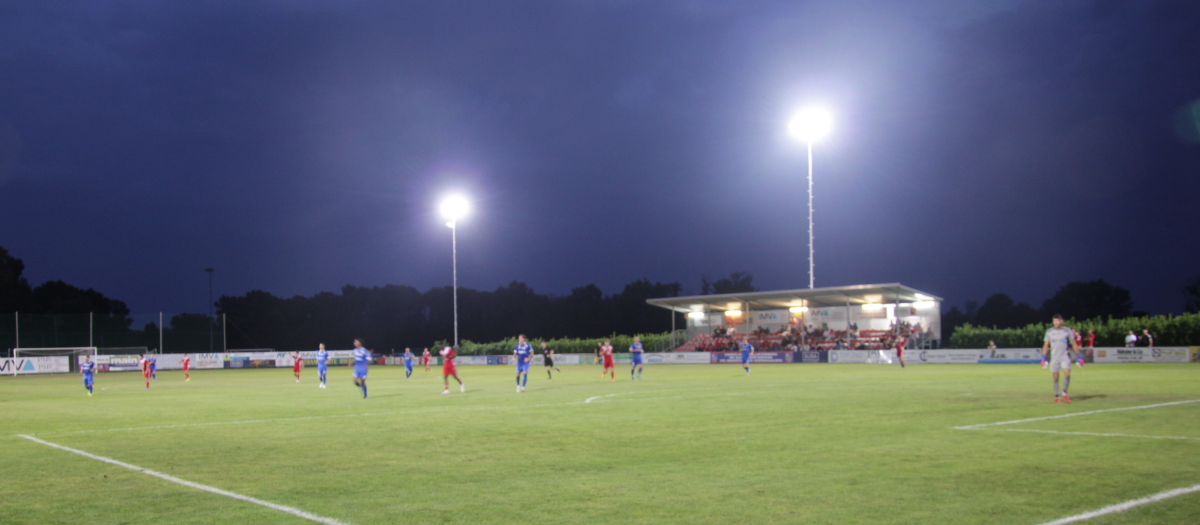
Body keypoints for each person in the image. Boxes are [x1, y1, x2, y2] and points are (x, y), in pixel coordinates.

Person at [1042, 314, 1081, 404]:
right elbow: (1046, 345)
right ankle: (1057, 396)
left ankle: (1064, 393)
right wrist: (1043, 357)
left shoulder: (1067, 331)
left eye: (1058, 321)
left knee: (1067, 374)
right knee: (1056, 378)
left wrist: (1079, 355)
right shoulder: (1049, 331)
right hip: (1054, 357)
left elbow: (1074, 343)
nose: (1056, 322)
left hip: (1065, 356)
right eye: (1054, 321)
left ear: (1061, 321)